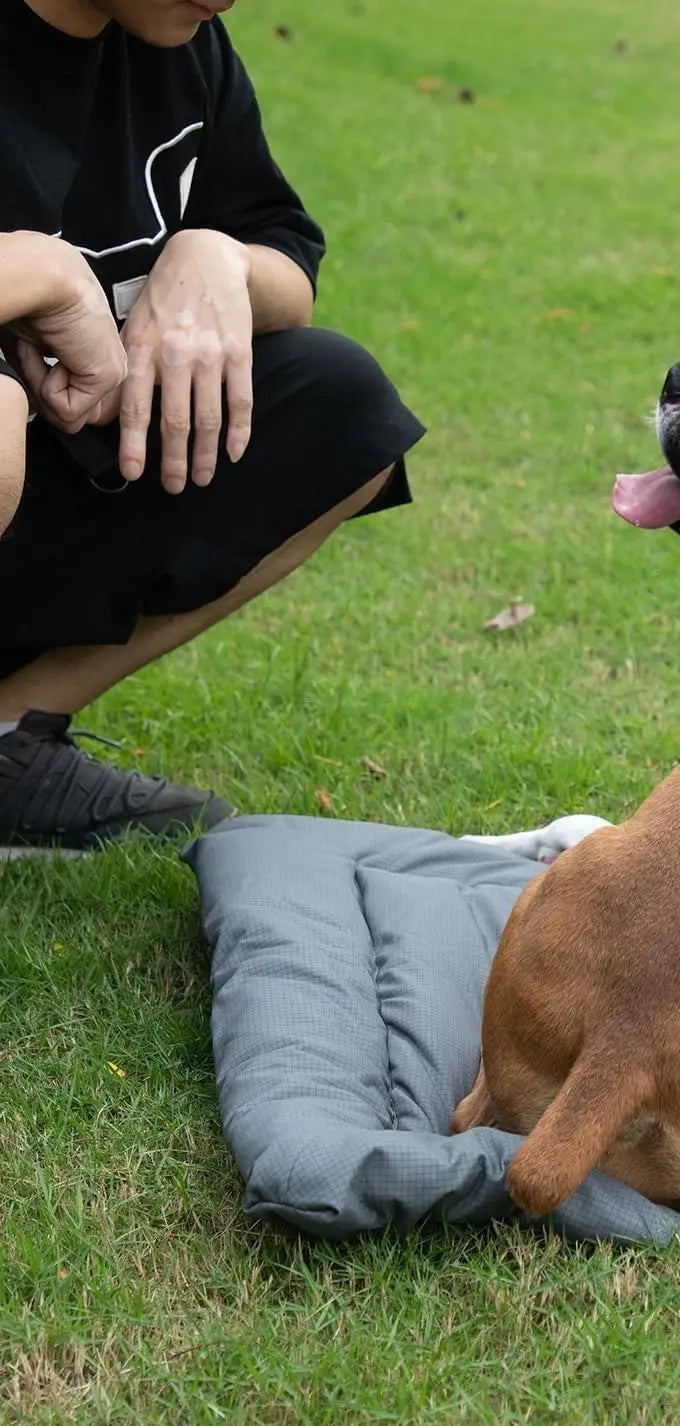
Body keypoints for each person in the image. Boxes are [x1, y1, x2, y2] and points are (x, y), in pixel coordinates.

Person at [0, 0, 425, 853]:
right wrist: (40, 272)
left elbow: (286, 256)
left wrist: (218, 256)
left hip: (52, 503)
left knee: (338, 404)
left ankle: (7, 741)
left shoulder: (181, 46)